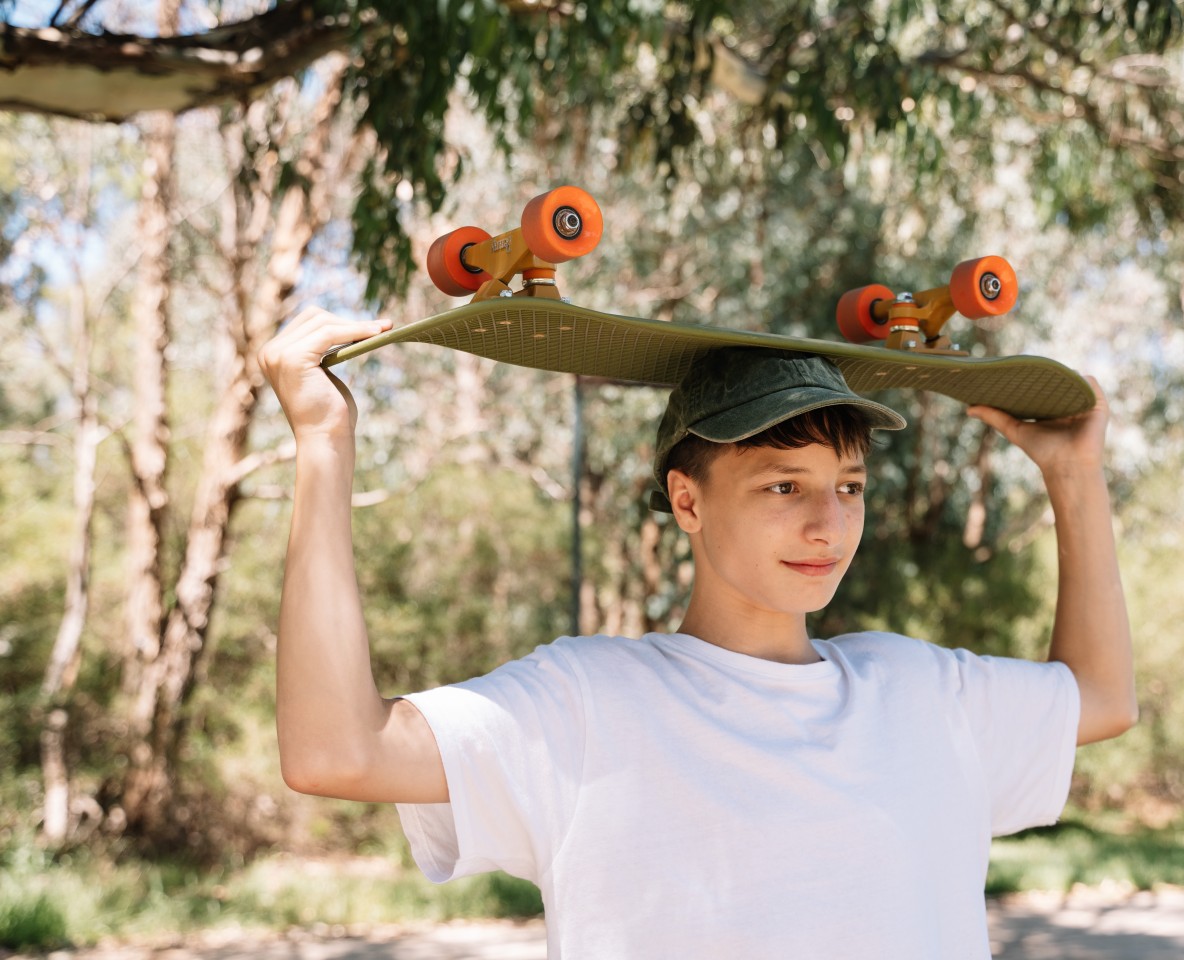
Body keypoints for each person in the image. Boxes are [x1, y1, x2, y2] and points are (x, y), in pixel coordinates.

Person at [260, 307, 1136, 959]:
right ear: (688, 499)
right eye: (782, 487)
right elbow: (337, 751)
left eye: (851, 486)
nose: (829, 524)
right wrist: (324, 444)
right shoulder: (586, 702)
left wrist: (1075, 473)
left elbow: (1101, 698)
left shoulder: (921, 688)